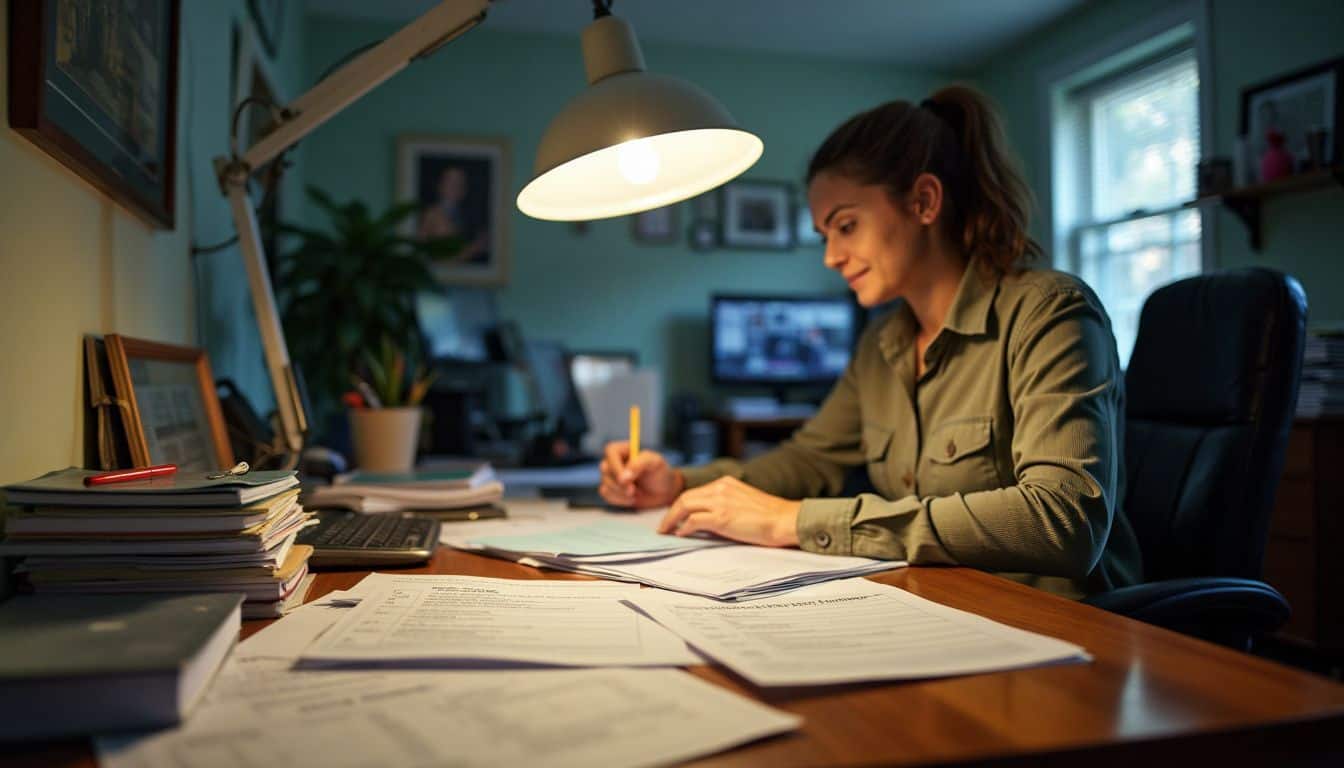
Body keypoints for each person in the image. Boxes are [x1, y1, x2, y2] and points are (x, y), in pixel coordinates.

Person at [598, 85, 1142, 599]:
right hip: (938, 609)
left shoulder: (1049, 312)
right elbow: (807, 460)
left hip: (1059, 629)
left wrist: (798, 521)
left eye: (846, 226)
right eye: (824, 234)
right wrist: (674, 483)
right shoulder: (882, 344)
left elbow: (1064, 519)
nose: (831, 257)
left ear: (924, 202)